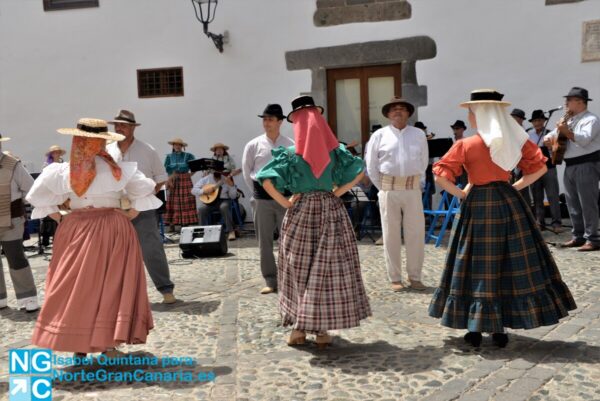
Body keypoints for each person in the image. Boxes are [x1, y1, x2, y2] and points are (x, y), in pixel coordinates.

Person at [428, 89, 576, 348]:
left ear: (480, 115)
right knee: (508, 262)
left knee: (474, 263)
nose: (469, 117)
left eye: (471, 113)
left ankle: (475, 327)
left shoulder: (466, 144)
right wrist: (514, 187)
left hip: (477, 205)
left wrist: (462, 192)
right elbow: (541, 167)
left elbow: (440, 174)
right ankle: (500, 329)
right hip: (508, 203)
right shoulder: (514, 141)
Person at [26, 118, 160, 355]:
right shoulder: (116, 167)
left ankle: (80, 343)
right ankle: (105, 344)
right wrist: (129, 213)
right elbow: (146, 190)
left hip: (77, 227)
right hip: (111, 226)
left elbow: (37, 196)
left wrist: (60, 217)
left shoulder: (64, 170)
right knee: (109, 284)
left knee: (78, 285)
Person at [256, 95, 371, 348]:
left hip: (301, 212)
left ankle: (298, 329)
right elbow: (360, 170)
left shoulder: (289, 154)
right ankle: (321, 331)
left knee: (298, 268)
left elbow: (264, 178)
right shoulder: (335, 151)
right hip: (331, 211)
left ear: (295, 123)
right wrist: (337, 192)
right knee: (326, 270)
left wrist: (286, 202)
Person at [107, 110, 176, 304]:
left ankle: (166, 289)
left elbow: (161, 179)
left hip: (143, 207)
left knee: (151, 248)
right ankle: (119, 296)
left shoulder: (147, 150)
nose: (119, 128)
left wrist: (143, 199)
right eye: (117, 125)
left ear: (132, 128)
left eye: (124, 125)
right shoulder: (107, 150)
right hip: (115, 207)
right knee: (115, 252)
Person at [365, 97, 429, 292]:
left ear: (408, 113)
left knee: (416, 233)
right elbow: (371, 164)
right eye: (394, 109)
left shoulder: (418, 134)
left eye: (402, 109)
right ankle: (395, 277)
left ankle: (415, 277)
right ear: (388, 114)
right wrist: (382, 188)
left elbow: (424, 161)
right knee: (390, 234)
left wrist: (418, 184)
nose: (398, 112)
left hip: (412, 189)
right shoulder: (379, 135)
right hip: (388, 189)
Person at [241, 104, 294, 294]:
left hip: (285, 198)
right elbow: (247, 173)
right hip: (262, 199)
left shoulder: (290, 145)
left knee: (288, 241)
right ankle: (270, 280)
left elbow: (294, 172)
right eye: (264, 119)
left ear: (280, 122)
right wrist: (258, 194)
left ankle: (288, 279)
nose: (267, 123)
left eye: (271, 119)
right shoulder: (253, 145)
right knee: (264, 241)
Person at [544, 87, 600, 251]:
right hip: (570, 165)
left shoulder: (591, 120)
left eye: (570, 99)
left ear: (580, 102)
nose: (566, 102)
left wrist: (565, 131)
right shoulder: (568, 120)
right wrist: (550, 140)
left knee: (587, 203)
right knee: (572, 203)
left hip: (587, 164)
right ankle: (578, 236)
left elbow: (584, 140)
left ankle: (593, 239)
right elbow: (549, 136)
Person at [0, 134, 38, 312]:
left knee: (15, 256)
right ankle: (0, 298)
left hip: (12, 220)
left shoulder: (13, 164)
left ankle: (27, 296)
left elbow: (31, 188)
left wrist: (17, 205)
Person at [527, 110, 563, 233]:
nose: (537, 123)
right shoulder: (528, 135)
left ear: (544, 121)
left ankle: (556, 223)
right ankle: (539, 222)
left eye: (539, 120)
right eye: (535, 121)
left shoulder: (550, 133)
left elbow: (558, 152)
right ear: (532, 123)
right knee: (537, 197)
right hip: (534, 170)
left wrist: (551, 147)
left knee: (553, 196)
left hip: (549, 169)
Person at [191, 166, 238, 241]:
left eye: (219, 170)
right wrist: (203, 191)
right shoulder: (206, 179)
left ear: (222, 171)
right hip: (209, 201)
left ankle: (231, 231)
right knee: (201, 209)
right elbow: (193, 190)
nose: (217, 172)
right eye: (215, 170)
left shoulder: (225, 179)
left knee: (224, 207)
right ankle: (202, 231)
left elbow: (233, 197)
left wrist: (232, 186)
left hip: (223, 200)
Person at [164, 138, 198, 230]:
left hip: (185, 179)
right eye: (175, 145)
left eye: (179, 145)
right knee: (173, 201)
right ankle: (172, 223)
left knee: (186, 200)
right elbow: (167, 170)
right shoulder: (169, 157)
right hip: (173, 179)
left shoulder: (188, 156)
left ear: (182, 146)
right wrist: (169, 180)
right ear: (173, 146)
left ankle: (185, 222)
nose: (177, 146)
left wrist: (189, 175)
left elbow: (195, 167)